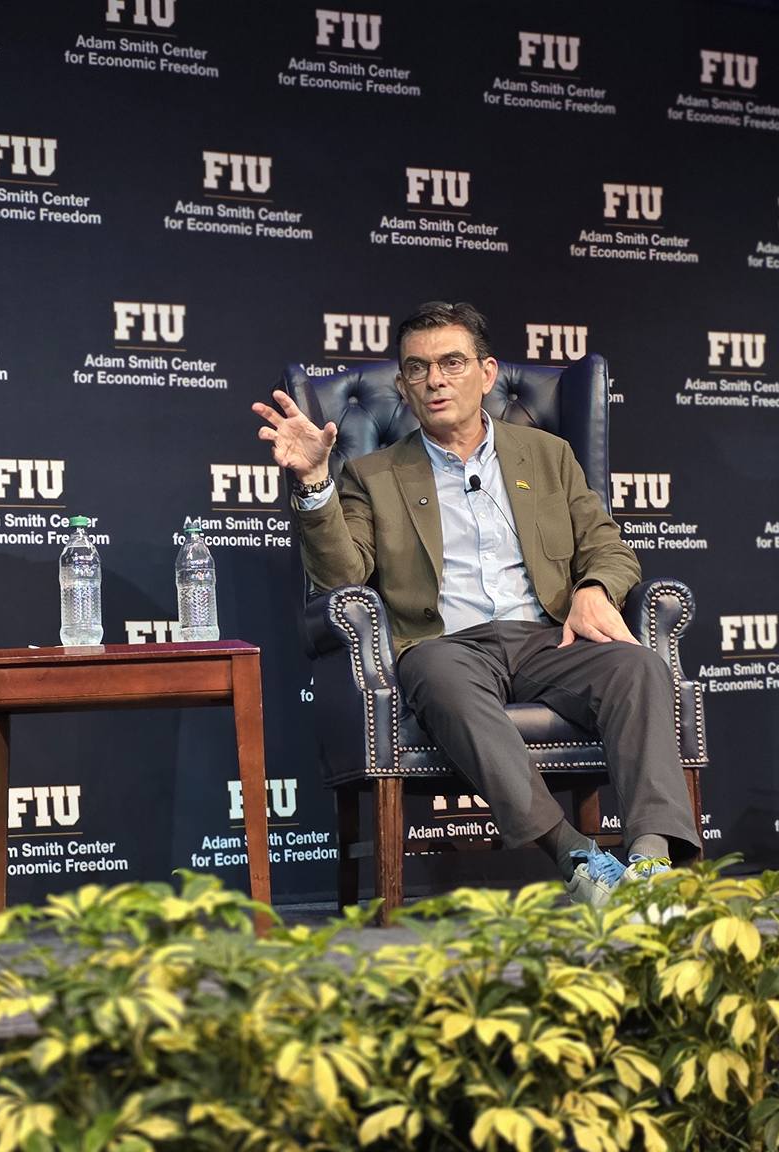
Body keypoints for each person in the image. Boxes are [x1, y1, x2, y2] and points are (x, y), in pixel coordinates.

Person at [253, 301, 700, 907]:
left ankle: (650, 865)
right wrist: (314, 484)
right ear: (404, 385)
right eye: (417, 368)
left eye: (451, 363)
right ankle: (579, 859)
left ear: (486, 374)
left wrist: (594, 589)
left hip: (548, 639)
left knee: (640, 666)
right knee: (436, 673)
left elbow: (609, 549)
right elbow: (341, 575)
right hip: (446, 646)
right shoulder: (371, 474)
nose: (435, 380)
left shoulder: (548, 456)